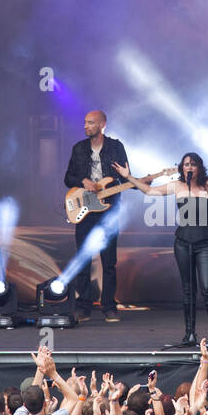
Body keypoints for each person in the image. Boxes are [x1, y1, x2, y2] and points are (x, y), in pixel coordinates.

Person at [113, 152, 208, 347]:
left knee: (207, 288)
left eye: (193, 164)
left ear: (199, 167)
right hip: (183, 242)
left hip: (205, 242)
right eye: (186, 164)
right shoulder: (177, 186)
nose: (189, 167)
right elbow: (149, 192)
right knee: (188, 291)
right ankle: (189, 335)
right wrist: (128, 177)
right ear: (182, 168)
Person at [63, 109, 130, 323]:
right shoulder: (78, 149)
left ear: (102, 125)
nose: (86, 126)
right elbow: (68, 178)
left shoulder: (116, 147)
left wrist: (138, 184)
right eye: (85, 122)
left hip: (109, 210)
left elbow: (124, 176)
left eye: (90, 123)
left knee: (108, 261)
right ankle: (83, 306)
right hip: (85, 211)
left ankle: (109, 306)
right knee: (84, 258)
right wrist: (83, 181)